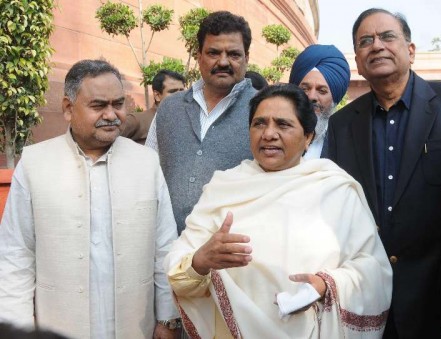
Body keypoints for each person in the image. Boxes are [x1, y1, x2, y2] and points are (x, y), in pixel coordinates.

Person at [165, 84, 392, 338]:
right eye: (259, 124)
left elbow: (372, 269)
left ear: (308, 137)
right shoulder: (224, 188)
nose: (269, 134)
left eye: (283, 125)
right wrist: (201, 261)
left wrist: (325, 285)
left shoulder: (335, 189)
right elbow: (178, 265)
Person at [323, 8, 441, 338]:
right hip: (367, 302)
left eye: (387, 36)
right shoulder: (341, 125)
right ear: (358, 61)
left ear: (410, 50)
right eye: (365, 41)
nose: (376, 46)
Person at [0, 59, 179, 339]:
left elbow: (165, 246)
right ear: (69, 109)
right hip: (58, 326)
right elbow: (15, 255)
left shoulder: (146, 162)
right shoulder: (35, 163)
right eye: (98, 106)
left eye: (118, 104)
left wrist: (168, 319)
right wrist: (19, 330)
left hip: (135, 327)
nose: (112, 114)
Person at [145, 11, 256, 235]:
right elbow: (148, 170)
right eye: (213, 53)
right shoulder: (170, 108)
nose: (223, 62)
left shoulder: (264, 110)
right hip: (167, 248)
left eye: (233, 54)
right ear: (199, 56)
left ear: (247, 57)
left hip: (233, 254)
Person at [289, 44, 350, 159]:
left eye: (322, 91)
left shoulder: (346, 143)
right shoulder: (273, 135)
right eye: (305, 89)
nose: (311, 97)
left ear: (334, 99)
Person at [121, 70, 185, 145]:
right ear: (157, 95)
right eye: (172, 91)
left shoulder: (185, 122)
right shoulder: (136, 120)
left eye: (182, 91)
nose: (180, 96)